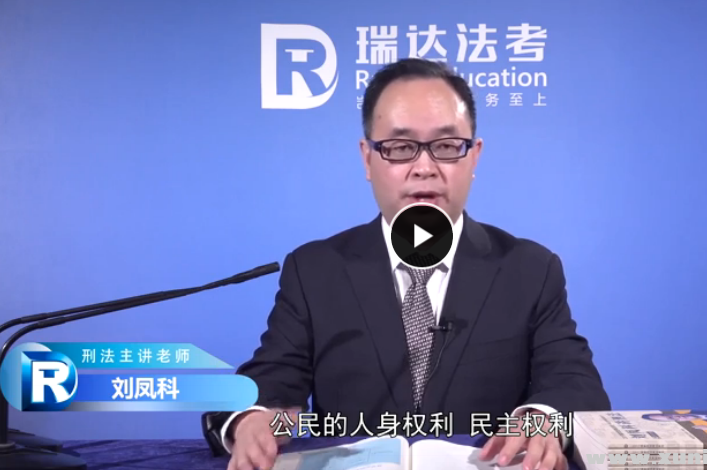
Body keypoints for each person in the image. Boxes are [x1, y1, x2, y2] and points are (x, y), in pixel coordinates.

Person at [213, 58, 611, 470]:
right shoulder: (315, 269)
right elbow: (273, 378)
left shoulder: (529, 269)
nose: (424, 168)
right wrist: (255, 418)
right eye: (401, 148)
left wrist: (541, 418)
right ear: (367, 159)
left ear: (474, 157)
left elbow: (574, 383)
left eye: (446, 146)